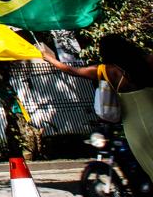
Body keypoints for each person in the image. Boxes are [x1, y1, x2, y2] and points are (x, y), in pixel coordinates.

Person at [40, 35, 153, 179]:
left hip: (135, 124)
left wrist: (50, 59)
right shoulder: (146, 61)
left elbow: (73, 71)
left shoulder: (107, 71)